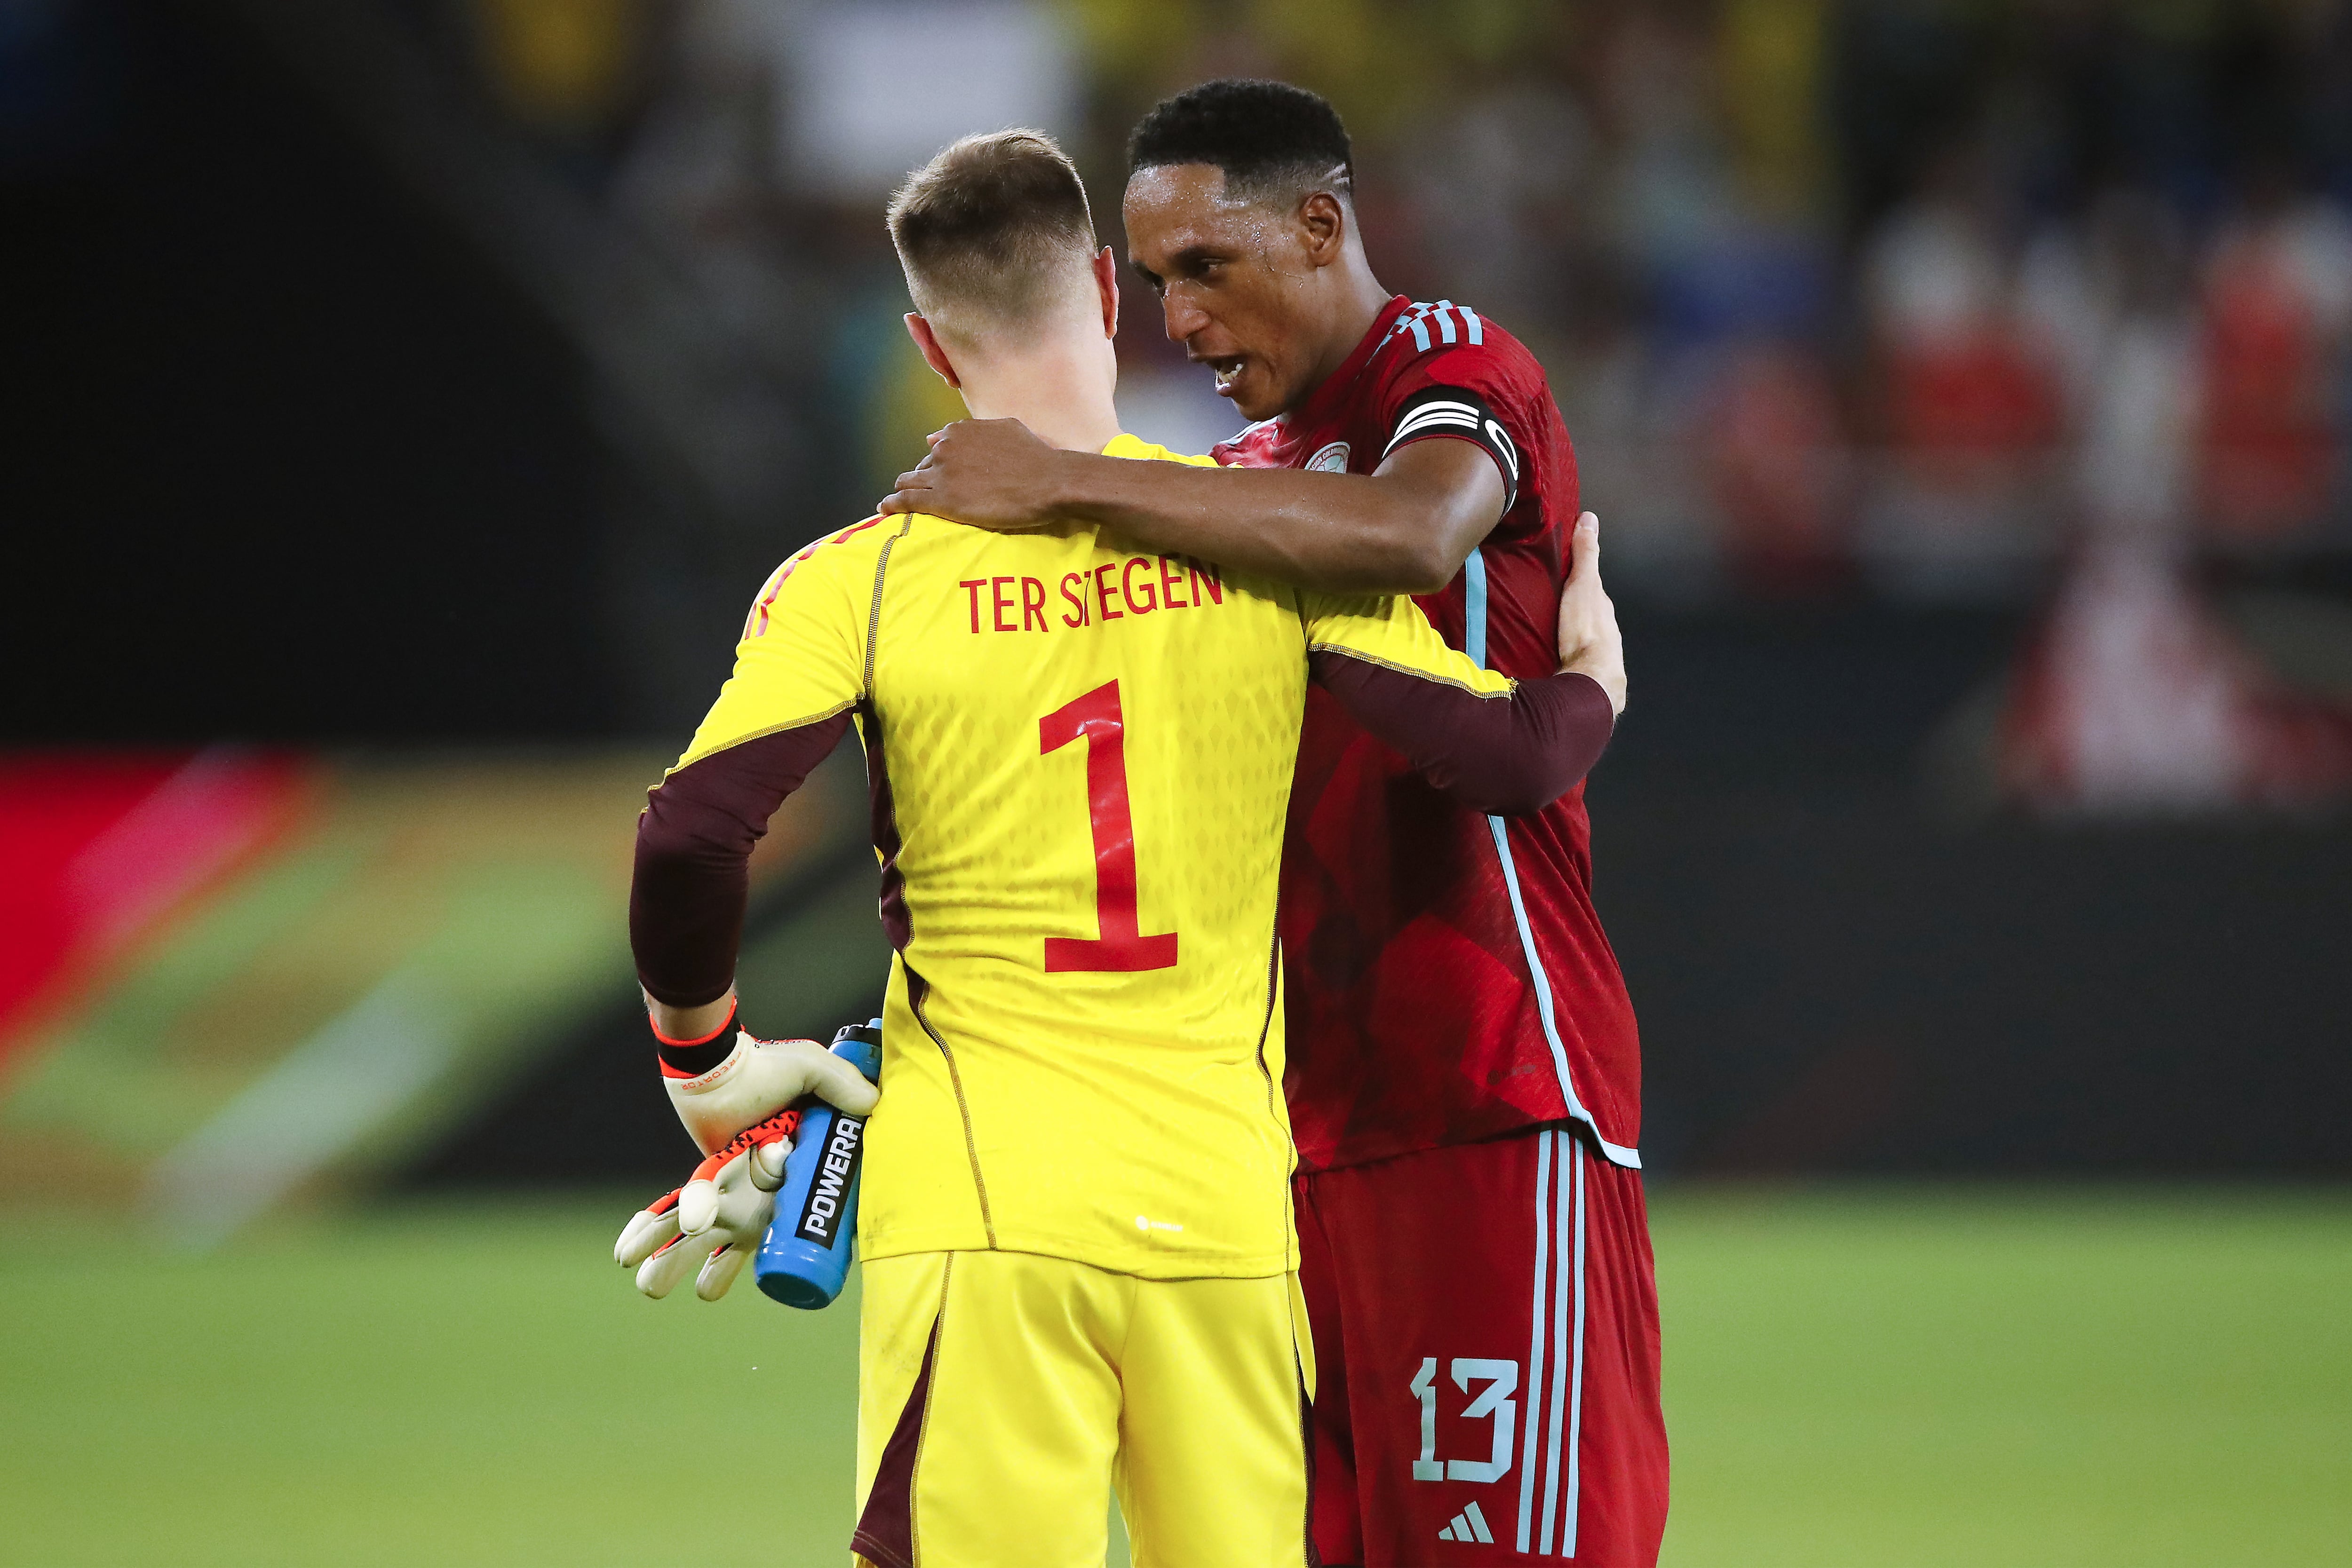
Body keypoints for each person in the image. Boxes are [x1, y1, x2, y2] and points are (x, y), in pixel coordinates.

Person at [622, 128, 1628, 1568]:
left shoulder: (863, 576)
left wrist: (708, 1067)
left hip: (982, 1214)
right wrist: (1593, 679)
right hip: (1224, 1227)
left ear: (925, 342)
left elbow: (692, 836)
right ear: (1105, 289)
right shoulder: (1270, 537)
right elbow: (1510, 760)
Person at [882, 81, 1667, 1567]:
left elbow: (1414, 531)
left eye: (1206, 268)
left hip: (1487, 1086)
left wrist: (1060, 480)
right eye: (1156, 280)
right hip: (1283, 1144)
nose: (1176, 322)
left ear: (1320, 225)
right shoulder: (1228, 498)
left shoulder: (1439, 363)